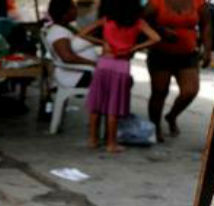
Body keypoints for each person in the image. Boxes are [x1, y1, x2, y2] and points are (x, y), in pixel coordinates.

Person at [79, 0, 160, 152]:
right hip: (121, 66)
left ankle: (93, 140)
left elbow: (82, 33)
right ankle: (111, 144)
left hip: (104, 63)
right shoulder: (138, 23)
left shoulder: (106, 20)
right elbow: (156, 38)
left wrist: (102, 42)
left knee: (96, 105)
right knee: (113, 107)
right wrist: (135, 47)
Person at [145, 0, 212, 142]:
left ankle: (171, 116)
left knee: (190, 91)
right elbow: (142, 20)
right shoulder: (157, 2)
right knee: (159, 92)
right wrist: (160, 30)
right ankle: (155, 126)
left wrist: (207, 50)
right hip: (160, 53)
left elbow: (206, 25)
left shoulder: (198, 2)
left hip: (187, 54)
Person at [45, 0, 99, 89]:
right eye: (73, 7)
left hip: (82, 73)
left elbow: (83, 37)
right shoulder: (58, 31)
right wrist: (94, 63)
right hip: (76, 77)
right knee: (117, 78)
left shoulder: (67, 28)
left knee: (119, 74)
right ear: (64, 13)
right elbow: (67, 57)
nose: (76, 10)